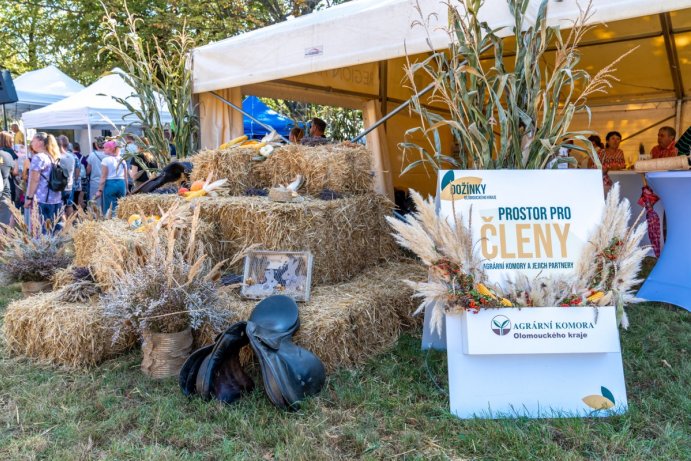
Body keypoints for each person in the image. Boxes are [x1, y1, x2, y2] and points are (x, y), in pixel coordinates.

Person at [24, 132, 64, 229]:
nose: (32, 143)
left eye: (33, 140)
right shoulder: (52, 156)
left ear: (40, 142)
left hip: (42, 199)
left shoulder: (38, 157)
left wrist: (29, 198)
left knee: (42, 232)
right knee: (54, 230)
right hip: (55, 198)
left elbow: (35, 179)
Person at [93, 140, 128, 215]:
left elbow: (103, 177)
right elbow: (126, 176)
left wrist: (99, 190)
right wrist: (127, 188)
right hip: (121, 184)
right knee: (121, 208)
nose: (103, 149)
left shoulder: (106, 160)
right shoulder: (122, 160)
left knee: (110, 209)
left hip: (110, 185)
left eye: (105, 148)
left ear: (111, 149)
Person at [56, 135, 78, 216]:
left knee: (61, 207)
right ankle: (70, 224)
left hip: (60, 186)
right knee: (69, 205)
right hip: (70, 185)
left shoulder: (59, 157)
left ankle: (63, 225)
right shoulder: (72, 156)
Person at [86, 137, 107, 210]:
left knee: (95, 203)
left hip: (95, 182)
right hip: (106, 182)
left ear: (96, 145)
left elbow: (88, 170)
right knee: (105, 203)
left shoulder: (92, 155)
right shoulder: (108, 155)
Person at [0, 132, 16, 225]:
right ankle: (8, 238)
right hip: (6, 189)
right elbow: (15, 171)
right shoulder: (8, 154)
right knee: (6, 217)